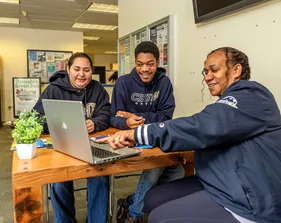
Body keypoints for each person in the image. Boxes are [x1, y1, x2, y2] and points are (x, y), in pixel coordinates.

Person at [97, 47, 281, 223]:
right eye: (205, 72)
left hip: (250, 201)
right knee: (153, 197)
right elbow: (203, 128)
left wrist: (139, 132)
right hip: (220, 182)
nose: (207, 77)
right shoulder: (229, 104)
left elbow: (201, 125)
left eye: (214, 70)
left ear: (236, 70)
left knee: (159, 216)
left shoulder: (252, 94)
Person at [110, 41, 184, 223]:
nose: (144, 69)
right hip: (128, 140)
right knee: (156, 166)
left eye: (150, 64)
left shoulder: (164, 83)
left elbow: (166, 116)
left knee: (178, 171)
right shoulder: (123, 83)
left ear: (157, 63)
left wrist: (135, 117)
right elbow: (113, 117)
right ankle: (134, 216)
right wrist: (126, 121)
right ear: (135, 63)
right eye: (139, 64)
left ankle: (132, 202)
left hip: (154, 137)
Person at [33, 52, 111, 223]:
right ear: (68, 69)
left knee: (100, 174)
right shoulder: (53, 90)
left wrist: (95, 123)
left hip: (91, 145)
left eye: (86, 70)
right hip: (62, 147)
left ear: (92, 71)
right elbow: (36, 118)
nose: (81, 74)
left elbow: (106, 113)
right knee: (59, 181)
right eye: (77, 69)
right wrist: (55, 125)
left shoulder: (97, 89)